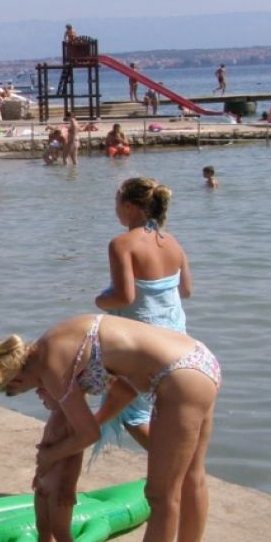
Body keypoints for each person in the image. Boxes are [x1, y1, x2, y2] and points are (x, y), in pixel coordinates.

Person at [0, 314, 220, 542]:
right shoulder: (53, 339)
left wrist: (50, 455)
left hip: (180, 380)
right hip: (198, 359)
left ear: (15, 378)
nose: (27, 393)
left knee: (162, 495)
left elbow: (86, 435)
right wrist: (91, 422)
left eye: (11, 391)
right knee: (193, 478)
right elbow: (123, 390)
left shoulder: (50, 367)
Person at [93, 177, 192, 449]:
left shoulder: (121, 244)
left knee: (133, 414)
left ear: (129, 206)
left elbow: (124, 297)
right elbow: (186, 290)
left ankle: (173, 467)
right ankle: (179, 469)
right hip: (178, 338)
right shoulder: (172, 241)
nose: (114, 208)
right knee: (164, 410)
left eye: (116, 202)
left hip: (142, 343)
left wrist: (100, 301)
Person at [14, 386, 82, 542]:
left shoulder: (71, 418)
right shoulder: (55, 414)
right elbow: (45, 450)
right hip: (44, 484)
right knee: (43, 527)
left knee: (61, 532)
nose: (38, 393)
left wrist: (68, 486)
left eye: (43, 389)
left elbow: (76, 456)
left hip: (59, 488)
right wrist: (38, 475)